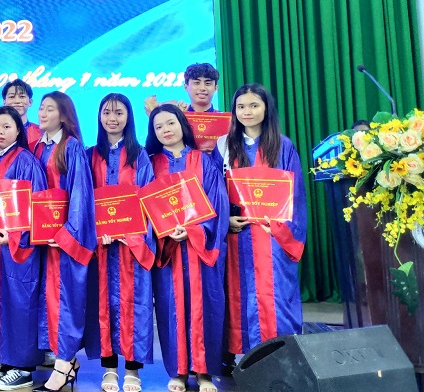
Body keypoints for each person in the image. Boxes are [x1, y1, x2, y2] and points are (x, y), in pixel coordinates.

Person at [216, 84, 307, 356]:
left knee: (276, 293)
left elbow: (295, 194)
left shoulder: (282, 145)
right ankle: (242, 356)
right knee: (239, 293)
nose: (247, 111)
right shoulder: (225, 147)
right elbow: (215, 191)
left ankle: (282, 355)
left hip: (272, 236)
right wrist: (226, 220)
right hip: (238, 235)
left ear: (266, 109)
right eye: (241, 106)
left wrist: (279, 228)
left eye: (254, 105)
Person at [146, 104, 228, 392]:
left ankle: (205, 372)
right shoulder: (150, 164)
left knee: (206, 307)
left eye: (170, 123)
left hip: (198, 251)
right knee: (170, 309)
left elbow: (217, 204)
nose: (165, 130)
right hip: (168, 251)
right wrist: (165, 231)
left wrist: (193, 231)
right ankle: (178, 371)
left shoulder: (203, 161)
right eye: (158, 126)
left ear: (183, 124)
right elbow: (144, 208)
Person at [84, 94, 155, 392]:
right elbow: (83, 199)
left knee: (134, 306)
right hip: (101, 246)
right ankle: (110, 368)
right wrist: (95, 233)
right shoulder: (89, 155)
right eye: (107, 112)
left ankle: (133, 370)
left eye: (119, 113)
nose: (112, 118)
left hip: (131, 246)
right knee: (104, 306)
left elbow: (148, 198)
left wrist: (133, 234)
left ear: (129, 117)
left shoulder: (140, 155)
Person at [32, 92, 95, 392]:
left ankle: (64, 364)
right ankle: (63, 361)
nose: (42, 113)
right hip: (40, 239)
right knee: (48, 300)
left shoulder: (71, 147)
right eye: (41, 108)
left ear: (64, 115)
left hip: (62, 241)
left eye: (50, 109)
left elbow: (81, 194)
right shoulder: (37, 146)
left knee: (65, 300)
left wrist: (68, 233)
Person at [0, 107, 47, 391]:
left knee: (22, 302)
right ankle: (8, 359)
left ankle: (24, 368)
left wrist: (15, 237)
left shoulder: (26, 161)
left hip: (20, 247)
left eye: (6, 126)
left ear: (18, 130)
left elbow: (36, 207)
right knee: (2, 302)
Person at [2, 79, 41, 150]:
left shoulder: (41, 133)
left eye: (22, 96)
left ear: (30, 102)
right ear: (4, 102)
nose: (17, 101)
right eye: (12, 97)